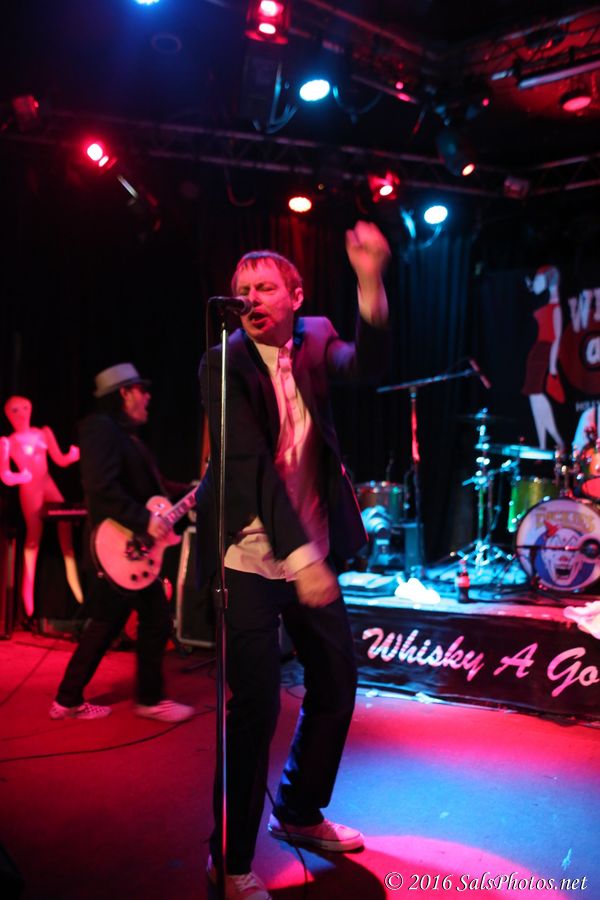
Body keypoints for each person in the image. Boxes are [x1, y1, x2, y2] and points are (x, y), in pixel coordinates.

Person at [196, 221, 390, 899]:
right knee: (254, 708)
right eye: (243, 289)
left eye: (266, 287)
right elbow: (250, 467)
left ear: (295, 296)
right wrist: (302, 558)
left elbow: (366, 366)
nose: (253, 297)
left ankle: (300, 811)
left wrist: (370, 281)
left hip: (311, 548)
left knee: (336, 681)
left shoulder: (316, 336)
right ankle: (229, 860)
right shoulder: (222, 363)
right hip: (248, 555)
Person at [50, 363, 194, 723]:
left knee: (108, 623)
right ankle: (148, 699)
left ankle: (67, 700)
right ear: (124, 393)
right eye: (141, 390)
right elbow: (102, 490)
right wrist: (146, 521)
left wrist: (193, 491)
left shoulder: (127, 437)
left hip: (129, 549)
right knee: (150, 619)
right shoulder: (101, 429)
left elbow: (153, 489)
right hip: (119, 547)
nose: (148, 397)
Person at [3, 395, 83, 622]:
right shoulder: (8, 442)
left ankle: (76, 585)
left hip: (48, 484)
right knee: (33, 538)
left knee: (65, 523)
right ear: (8, 415)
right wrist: (19, 477)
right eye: (15, 410)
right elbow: (5, 474)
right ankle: (27, 597)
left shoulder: (43, 433)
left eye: (24, 408)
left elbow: (59, 459)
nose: (21, 413)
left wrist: (72, 456)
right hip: (30, 489)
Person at [522, 265, 564, 449]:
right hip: (537, 352)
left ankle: (557, 440)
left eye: (539, 280)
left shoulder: (556, 308)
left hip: (543, 352)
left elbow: (557, 339)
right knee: (534, 399)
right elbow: (536, 289)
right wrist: (532, 286)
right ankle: (543, 444)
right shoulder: (547, 303)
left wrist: (553, 367)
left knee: (537, 396)